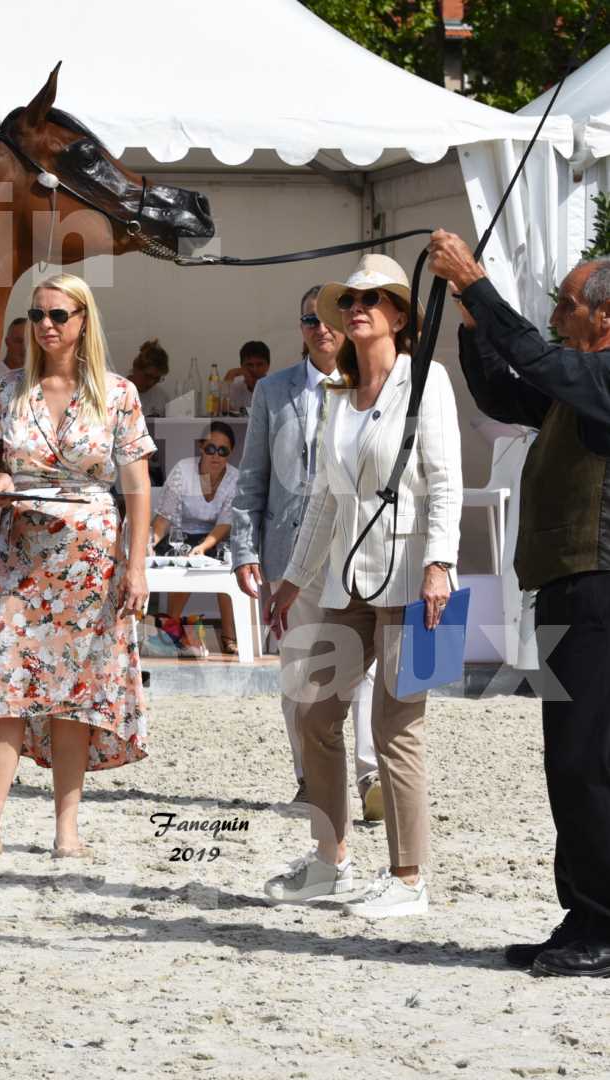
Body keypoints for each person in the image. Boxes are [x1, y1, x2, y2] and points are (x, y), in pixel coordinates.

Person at [429, 228, 610, 976]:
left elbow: (535, 356)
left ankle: (602, 925)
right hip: (568, 585)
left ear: (603, 316)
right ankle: (584, 915)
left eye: (565, 305)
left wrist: (476, 285)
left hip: (599, 585)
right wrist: (475, 331)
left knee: (587, 760)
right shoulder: (578, 389)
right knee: (568, 759)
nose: (556, 315)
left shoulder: (602, 378)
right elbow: (507, 390)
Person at [266, 253, 462, 919]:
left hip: (410, 577)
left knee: (395, 728)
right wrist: (294, 576)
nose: (355, 307)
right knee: (316, 712)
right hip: (345, 581)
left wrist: (441, 563)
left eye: (371, 299)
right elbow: (325, 498)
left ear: (399, 316)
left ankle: (408, 879)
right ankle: (332, 862)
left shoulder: (426, 381)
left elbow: (444, 481)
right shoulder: (338, 396)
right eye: (348, 298)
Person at [0, 272, 153, 861]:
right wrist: (0, 479)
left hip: (91, 558)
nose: (45, 325)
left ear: (82, 321)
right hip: (18, 554)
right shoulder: (7, 391)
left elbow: (138, 488)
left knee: (78, 692)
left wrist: (136, 567)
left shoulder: (118, 393)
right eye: (37, 314)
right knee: (2, 683)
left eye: (58, 315)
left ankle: (67, 831)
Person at [231, 287, 380, 814]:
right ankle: (309, 780)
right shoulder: (273, 391)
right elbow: (253, 476)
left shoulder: (372, 383)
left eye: (328, 319)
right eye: (308, 321)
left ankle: (369, 778)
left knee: (360, 665)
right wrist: (244, 549)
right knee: (298, 669)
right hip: (289, 549)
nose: (321, 329)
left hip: (358, 545)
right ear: (300, 329)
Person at [149, 421, 240, 658]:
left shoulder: (235, 478)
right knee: (180, 560)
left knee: (229, 562)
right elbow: (164, 517)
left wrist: (204, 546)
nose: (216, 456)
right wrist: (150, 542)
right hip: (182, 535)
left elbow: (225, 523)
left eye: (223, 450)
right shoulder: (183, 470)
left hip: (216, 538)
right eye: (211, 448)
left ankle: (228, 634)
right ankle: (171, 628)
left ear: (230, 453)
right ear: (201, 447)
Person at [222, 340, 271, 415]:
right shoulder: (236, 386)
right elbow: (223, 411)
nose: (254, 369)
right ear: (241, 366)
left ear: (268, 366)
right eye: (249, 365)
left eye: (259, 364)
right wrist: (230, 374)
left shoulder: (275, 388)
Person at [128, 338, 170, 420]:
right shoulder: (119, 393)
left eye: (157, 378)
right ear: (136, 368)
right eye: (147, 376)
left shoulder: (162, 398)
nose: (151, 383)